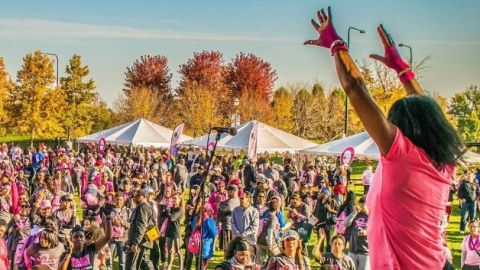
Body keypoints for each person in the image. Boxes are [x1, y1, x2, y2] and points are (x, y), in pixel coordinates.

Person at [305, 7, 463, 269]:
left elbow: (356, 89)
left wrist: (336, 43)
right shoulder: (444, 164)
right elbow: (428, 110)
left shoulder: (401, 155)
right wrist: (402, 70)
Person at [126, 189, 157, 270]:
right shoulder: (145, 207)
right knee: (143, 263)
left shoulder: (143, 207)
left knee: (131, 266)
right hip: (143, 242)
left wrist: (135, 243)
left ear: (144, 196)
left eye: (138, 195)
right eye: (134, 196)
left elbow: (141, 226)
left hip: (140, 242)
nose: (135, 197)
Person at [344, 196, 369, 270]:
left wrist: (366, 232)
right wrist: (354, 212)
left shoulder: (372, 215)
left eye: (364, 205)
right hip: (352, 249)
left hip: (365, 251)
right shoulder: (355, 214)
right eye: (361, 205)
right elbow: (346, 223)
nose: (362, 208)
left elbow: (376, 229)